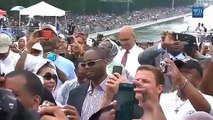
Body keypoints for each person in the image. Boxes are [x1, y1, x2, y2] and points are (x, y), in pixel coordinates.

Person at [67, 47, 109, 120]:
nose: (86, 67)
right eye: (84, 64)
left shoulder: (117, 91)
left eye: (91, 63)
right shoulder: (75, 93)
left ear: (105, 62)